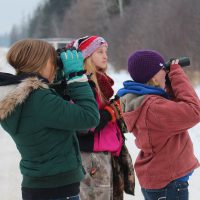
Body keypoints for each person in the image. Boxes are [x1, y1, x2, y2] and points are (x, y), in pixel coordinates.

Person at [0, 39, 99, 200]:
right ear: (44, 62)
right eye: (53, 61)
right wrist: (76, 77)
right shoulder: (39, 99)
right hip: (58, 189)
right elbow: (89, 117)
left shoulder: (19, 96)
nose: (55, 65)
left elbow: (52, 115)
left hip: (37, 187)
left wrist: (56, 84)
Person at [117, 50, 200, 200]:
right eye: (163, 69)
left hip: (162, 181)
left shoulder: (143, 101)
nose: (166, 72)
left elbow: (174, 111)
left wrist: (168, 84)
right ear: (154, 77)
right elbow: (194, 111)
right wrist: (177, 75)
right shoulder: (153, 108)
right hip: (170, 184)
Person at [65, 35, 133, 200]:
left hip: (102, 154)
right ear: (86, 56)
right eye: (99, 52)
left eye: (106, 51)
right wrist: (111, 112)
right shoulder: (84, 86)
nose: (105, 56)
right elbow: (85, 124)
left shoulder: (97, 83)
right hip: (92, 156)